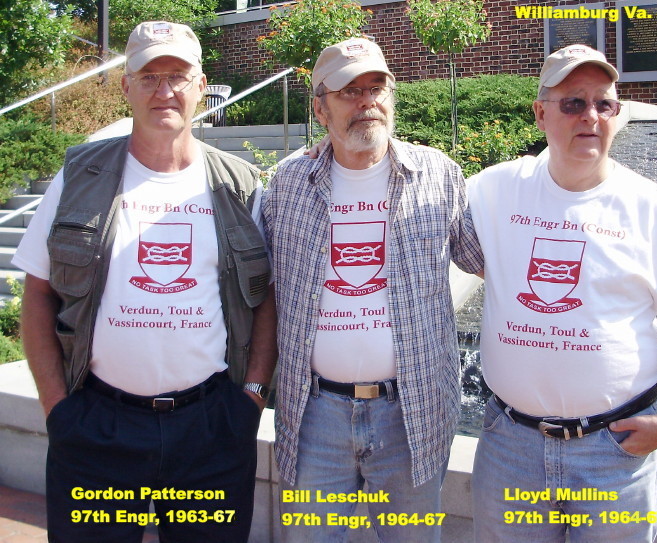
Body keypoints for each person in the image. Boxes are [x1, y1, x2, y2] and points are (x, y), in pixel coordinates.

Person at [467, 44, 657, 542]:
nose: (590, 116)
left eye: (604, 104)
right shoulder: (492, 191)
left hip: (616, 453)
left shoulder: (652, 208)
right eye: (573, 102)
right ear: (540, 113)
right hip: (511, 448)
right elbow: (415, 203)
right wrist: (335, 151)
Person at [14, 21, 277, 543]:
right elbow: (38, 295)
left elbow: (267, 296)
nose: (165, 90)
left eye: (178, 75)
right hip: (98, 429)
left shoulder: (239, 184)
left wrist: (249, 397)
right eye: (149, 75)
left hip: (211, 430)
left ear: (202, 85)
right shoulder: (79, 176)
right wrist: (58, 410)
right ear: (125, 86)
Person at [262, 37, 484, 542]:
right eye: (349, 91)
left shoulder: (439, 175)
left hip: (412, 413)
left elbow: (488, 263)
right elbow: (257, 283)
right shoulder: (288, 183)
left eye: (377, 87)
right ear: (321, 109)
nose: (367, 101)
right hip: (315, 414)